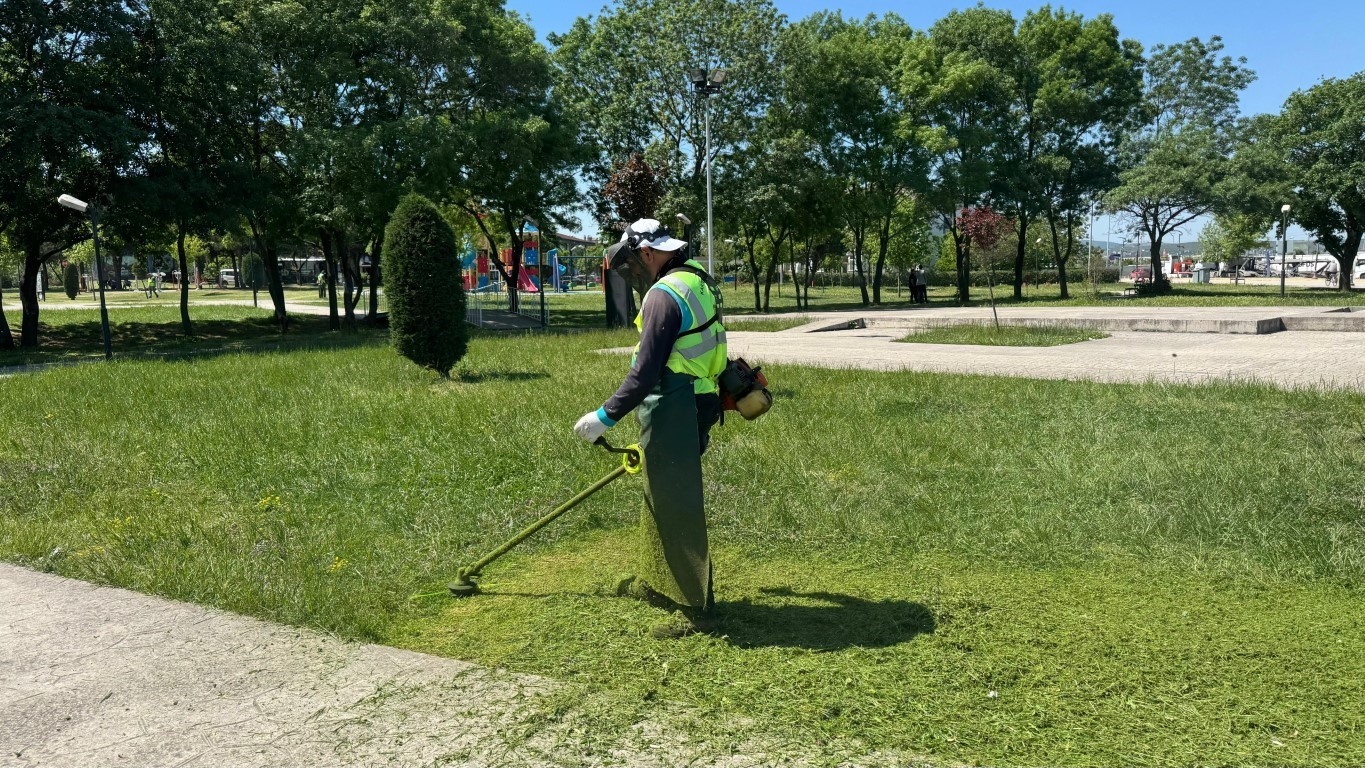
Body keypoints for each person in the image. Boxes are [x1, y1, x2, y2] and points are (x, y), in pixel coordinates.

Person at [573, 218, 727, 639]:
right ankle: (656, 581)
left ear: (646, 253)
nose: (633, 271)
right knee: (658, 493)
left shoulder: (663, 295)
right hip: (700, 398)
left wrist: (603, 416)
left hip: (676, 403)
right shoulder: (698, 278)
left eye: (632, 262)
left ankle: (697, 609)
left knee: (677, 505)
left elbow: (644, 373)